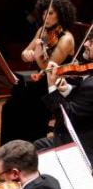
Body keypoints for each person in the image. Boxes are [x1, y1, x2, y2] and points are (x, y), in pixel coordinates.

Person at [0, 0, 76, 144]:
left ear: (61, 14)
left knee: (28, 108)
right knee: (9, 108)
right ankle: (10, 150)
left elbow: (48, 70)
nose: (45, 17)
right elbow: (24, 53)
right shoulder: (42, 30)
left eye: (50, 14)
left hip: (53, 85)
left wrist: (38, 55)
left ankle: (29, 150)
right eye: (43, 13)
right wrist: (27, 54)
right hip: (37, 80)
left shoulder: (66, 38)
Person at [34, 31, 93, 164]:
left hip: (81, 146)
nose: (86, 43)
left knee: (27, 155)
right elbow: (87, 103)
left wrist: (51, 86)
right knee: (35, 146)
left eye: (92, 41)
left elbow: (65, 116)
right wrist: (67, 89)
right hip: (80, 134)